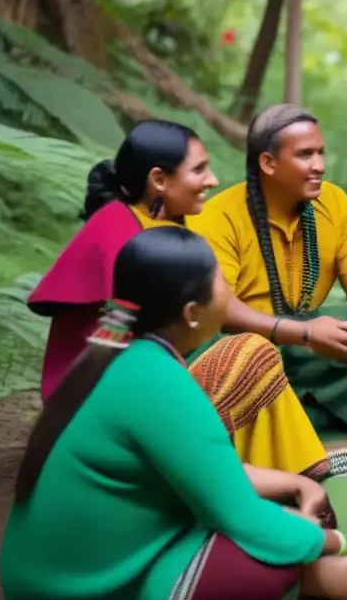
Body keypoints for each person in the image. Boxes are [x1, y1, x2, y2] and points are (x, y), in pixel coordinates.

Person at [0, 226, 347, 600]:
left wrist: (297, 483)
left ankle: (303, 563)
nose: (230, 289)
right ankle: (310, 579)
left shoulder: (119, 350)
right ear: (191, 313)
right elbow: (240, 517)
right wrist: (335, 544)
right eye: (221, 281)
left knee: (279, 519)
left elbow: (207, 473)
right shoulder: (157, 382)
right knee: (262, 558)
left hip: (40, 574)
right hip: (80, 593)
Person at [26, 120, 330, 480]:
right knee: (249, 353)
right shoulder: (117, 235)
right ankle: (209, 472)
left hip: (143, 381)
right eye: (199, 169)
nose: (213, 180)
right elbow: (118, 349)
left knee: (247, 350)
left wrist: (298, 332)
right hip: (104, 410)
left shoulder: (161, 220)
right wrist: (302, 333)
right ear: (158, 180)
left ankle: (287, 466)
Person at [188, 104, 347, 435]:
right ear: (268, 163)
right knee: (244, 351)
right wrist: (307, 334)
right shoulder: (219, 217)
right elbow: (221, 310)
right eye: (305, 155)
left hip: (309, 334)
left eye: (320, 153)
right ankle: (299, 416)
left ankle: (293, 413)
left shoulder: (334, 202)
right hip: (250, 340)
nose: (319, 166)